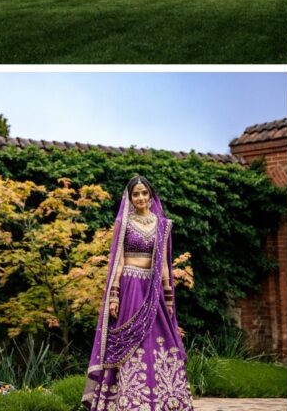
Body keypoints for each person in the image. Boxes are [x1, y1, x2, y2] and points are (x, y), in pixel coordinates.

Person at [83, 176, 193, 411]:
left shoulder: (163, 225)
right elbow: (118, 262)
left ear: (151, 196)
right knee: (129, 343)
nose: (141, 198)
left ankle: (166, 400)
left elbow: (163, 263)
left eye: (145, 193)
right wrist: (114, 295)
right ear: (130, 198)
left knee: (159, 340)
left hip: (153, 291)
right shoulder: (123, 224)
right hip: (130, 286)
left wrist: (168, 295)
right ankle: (128, 400)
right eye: (136, 194)